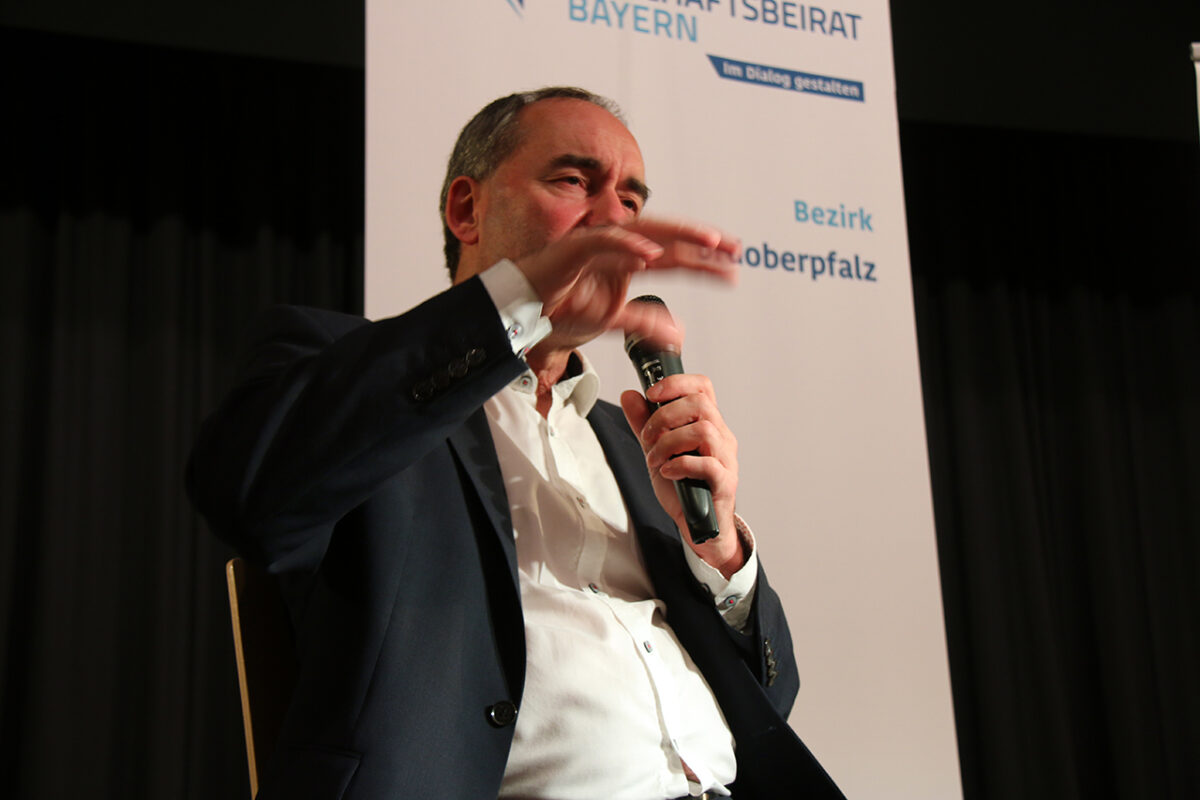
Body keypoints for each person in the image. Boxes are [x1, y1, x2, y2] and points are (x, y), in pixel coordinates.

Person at [188, 87, 845, 800]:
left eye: (630, 199)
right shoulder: (358, 378)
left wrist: (718, 551)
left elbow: (771, 699)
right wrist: (517, 300)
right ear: (466, 210)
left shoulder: (636, 440)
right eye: (574, 182)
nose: (613, 218)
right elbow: (247, 495)